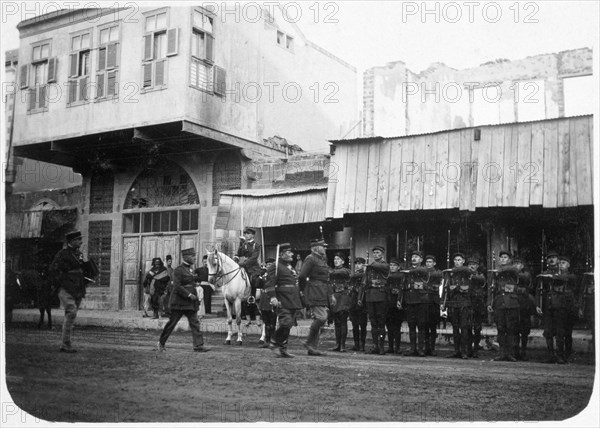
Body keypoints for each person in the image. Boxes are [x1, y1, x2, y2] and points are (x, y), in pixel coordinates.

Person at [158, 248, 209, 352]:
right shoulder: (178, 270)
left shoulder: (190, 269)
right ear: (186, 257)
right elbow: (177, 286)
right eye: (193, 256)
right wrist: (189, 294)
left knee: (195, 323)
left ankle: (198, 345)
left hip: (189, 303)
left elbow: (192, 282)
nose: (195, 258)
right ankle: (161, 343)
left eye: (195, 256)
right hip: (179, 303)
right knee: (171, 324)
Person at [49, 230, 90, 353]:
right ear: (71, 241)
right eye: (78, 239)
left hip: (78, 287)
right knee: (71, 312)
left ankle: (66, 343)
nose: (81, 241)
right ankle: (65, 344)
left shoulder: (79, 254)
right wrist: (60, 282)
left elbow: (83, 269)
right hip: (66, 288)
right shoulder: (62, 254)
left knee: (72, 314)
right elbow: (53, 270)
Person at [266, 243, 303, 358]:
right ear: (281, 254)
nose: (291, 254)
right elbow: (269, 283)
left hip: (292, 299)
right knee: (285, 322)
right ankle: (274, 341)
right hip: (283, 299)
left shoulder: (289, 266)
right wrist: (272, 297)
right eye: (288, 252)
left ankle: (283, 349)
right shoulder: (275, 266)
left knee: (289, 324)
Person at [299, 238, 335, 356]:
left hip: (323, 291)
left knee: (318, 319)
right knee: (322, 317)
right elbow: (302, 275)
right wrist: (302, 290)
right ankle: (309, 342)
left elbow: (326, 279)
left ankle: (312, 347)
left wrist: (331, 294)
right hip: (314, 290)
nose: (325, 248)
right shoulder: (310, 259)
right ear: (316, 248)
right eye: (323, 246)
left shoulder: (321, 259)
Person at [487, 251, 520, 362]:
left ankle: (510, 354)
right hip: (500, 302)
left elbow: (514, 270)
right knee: (501, 328)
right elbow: (492, 289)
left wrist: (500, 270)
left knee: (510, 328)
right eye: (501, 257)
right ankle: (502, 353)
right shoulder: (496, 272)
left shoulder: (512, 269)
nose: (502, 259)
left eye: (505, 257)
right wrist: (490, 303)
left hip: (511, 302)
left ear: (509, 259)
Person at [440, 252, 473, 359]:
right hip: (453, 303)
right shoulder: (449, 274)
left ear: (463, 261)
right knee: (455, 328)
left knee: (464, 328)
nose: (457, 262)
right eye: (455, 260)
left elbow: (470, 273)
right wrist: (443, 303)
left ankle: (464, 351)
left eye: (459, 260)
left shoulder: (466, 272)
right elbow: (445, 289)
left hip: (464, 303)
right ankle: (456, 350)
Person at [358, 245, 390, 355]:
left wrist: (370, 265)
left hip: (381, 295)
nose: (375, 255)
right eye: (374, 253)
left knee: (381, 322)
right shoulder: (370, 268)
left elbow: (382, 268)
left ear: (382, 254)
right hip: (370, 296)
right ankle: (375, 345)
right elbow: (364, 282)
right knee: (373, 322)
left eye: (378, 253)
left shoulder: (384, 265)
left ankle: (381, 346)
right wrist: (360, 297)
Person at [400, 251, 430, 357]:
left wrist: (409, 270)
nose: (414, 258)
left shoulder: (424, 269)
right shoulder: (407, 270)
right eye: (412, 257)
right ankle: (413, 348)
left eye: (416, 257)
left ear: (421, 259)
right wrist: (400, 300)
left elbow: (423, 271)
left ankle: (420, 349)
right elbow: (402, 286)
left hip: (421, 301)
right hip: (410, 300)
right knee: (411, 325)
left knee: (421, 326)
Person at [237, 228, 262, 326]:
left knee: (253, 279)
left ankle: (252, 295)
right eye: (245, 234)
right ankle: (247, 319)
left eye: (248, 234)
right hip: (244, 266)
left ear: (252, 235)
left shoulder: (257, 245)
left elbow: (254, 257)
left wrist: (245, 263)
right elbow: (239, 254)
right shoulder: (244, 244)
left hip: (253, 267)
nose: (246, 235)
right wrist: (240, 245)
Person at [513, 257, 536, 360]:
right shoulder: (511, 274)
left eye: (518, 264)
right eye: (514, 264)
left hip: (524, 302)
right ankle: (516, 351)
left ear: (522, 266)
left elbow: (527, 281)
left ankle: (524, 351)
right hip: (514, 302)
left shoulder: (525, 274)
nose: (516, 266)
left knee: (524, 329)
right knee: (515, 329)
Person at [329, 252, 352, 352]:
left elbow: (340, 273)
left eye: (338, 259)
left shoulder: (345, 270)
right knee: (336, 322)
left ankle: (342, 345)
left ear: (343, 261)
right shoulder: (333, 271)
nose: (336, 261)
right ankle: (337, 344)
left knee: (343, 321)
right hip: (335, 297)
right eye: (334, 259)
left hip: (343, 296)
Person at [467, 257, 487, 358]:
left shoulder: (480, 276)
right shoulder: (465, 276)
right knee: (467, 327)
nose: (472, 266)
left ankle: (475, 349)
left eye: (474, 264)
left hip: (478, 305)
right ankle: (469, 349)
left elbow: (482, 280)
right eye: (470, 264)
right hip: (467, 304)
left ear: (477, 266)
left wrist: (471, 277)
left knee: (477, 328)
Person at [424, 255, 442, 356]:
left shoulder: (437, 273)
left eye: (430, 262)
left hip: (434, 302)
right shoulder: (423, 272)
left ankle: (432, 347)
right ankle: (426, 347)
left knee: (433, 326)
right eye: (427, 262)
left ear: (434, 263)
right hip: (425, 301)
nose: (428, 264)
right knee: (425, 325)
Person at [349, 257, 368, 352]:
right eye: (356, 264)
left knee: (363, 324)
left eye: (359, 264)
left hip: (362, 302)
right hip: (353, 302)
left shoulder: (365, 276)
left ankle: (362, 344)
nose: (357, 265)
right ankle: (357, 344)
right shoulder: (353, 275)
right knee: (355, 325)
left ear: (363, 265)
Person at [386, 258, 404, 354]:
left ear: (398, 267)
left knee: (397, 326)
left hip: (396, 302)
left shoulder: (401, 276)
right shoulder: (387, 276)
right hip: (388, 303)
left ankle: (397, 347)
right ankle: (390, 346)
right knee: (389, 326)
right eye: (391, 265)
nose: (392, 267)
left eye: (394, 265)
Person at [258, 258, 277, 348]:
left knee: (272, 322)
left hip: (272, 298)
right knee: (266, 322)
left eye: (270, 265)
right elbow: (257, 284)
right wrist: (260, 275)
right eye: (267, 265)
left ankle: (273, 341)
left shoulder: (276, 275)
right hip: (264, 298)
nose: (268, 266)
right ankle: (267, 340)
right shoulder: (264, 274)